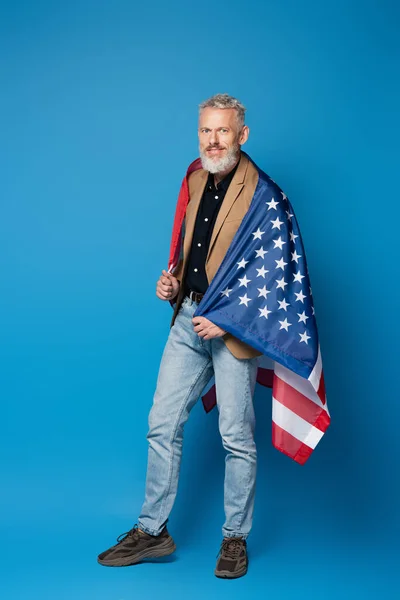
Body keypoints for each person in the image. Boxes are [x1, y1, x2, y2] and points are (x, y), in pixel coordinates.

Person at [97, 93, 263, 579]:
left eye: (223, 131)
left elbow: (270, 276)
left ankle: (235, 539)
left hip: (231, 329)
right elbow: (192, 250)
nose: (214, 141)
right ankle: (153, 530)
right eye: (206, 131)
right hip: (188, 319)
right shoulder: (194, 178)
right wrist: (173, 281)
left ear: (242, 135)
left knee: (235, 436)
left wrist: (228, 317)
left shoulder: (262, 195)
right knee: (161, 422)